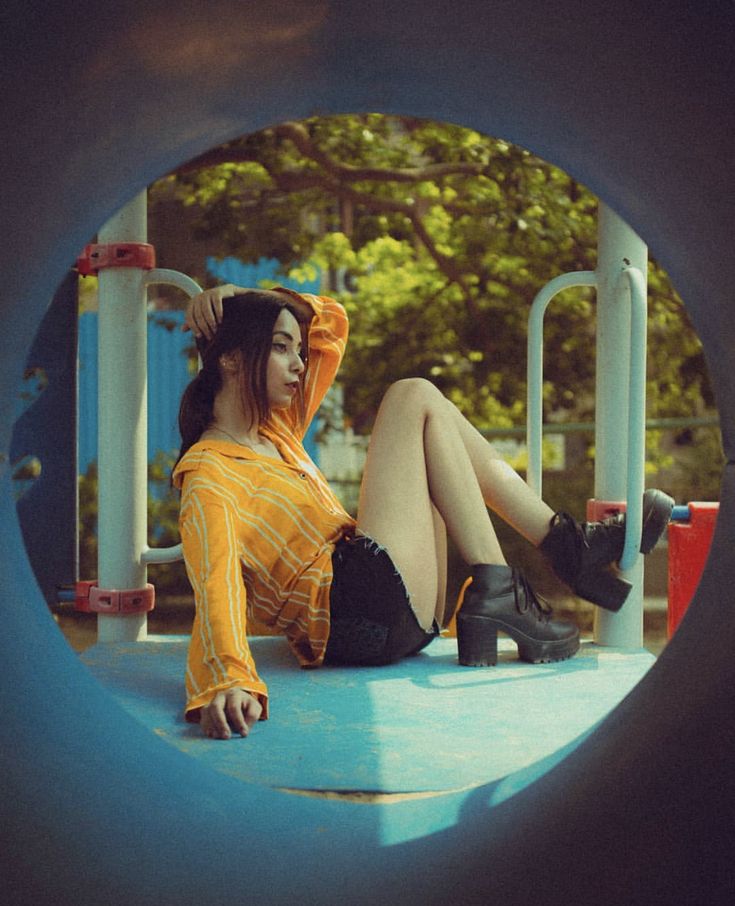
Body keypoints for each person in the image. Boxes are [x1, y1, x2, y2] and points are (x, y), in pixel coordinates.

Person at [173, 283, 673, 740]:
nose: (300, 363)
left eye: (296, 350)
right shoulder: (209, 473)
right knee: (413, 396)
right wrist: (228, 678)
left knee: (433, 420)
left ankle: (555, 555)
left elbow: (330, 323)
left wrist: (247, 296)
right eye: (281, 348)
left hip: (386, 620)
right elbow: (215, 580)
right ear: (231, 360)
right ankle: (545, 560)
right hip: (354, 607)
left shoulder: (275, 431)